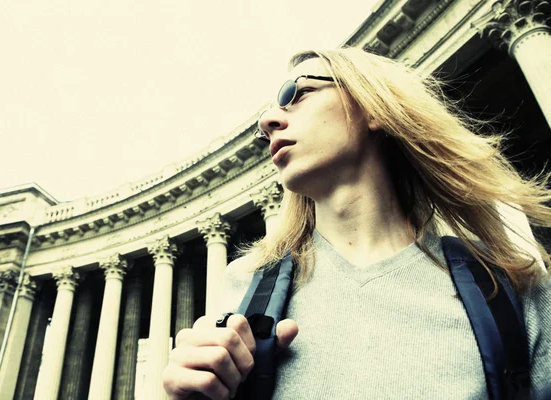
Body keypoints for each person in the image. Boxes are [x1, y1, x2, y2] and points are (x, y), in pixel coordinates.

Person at [162, 48, 551, 399]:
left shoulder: (511, 286)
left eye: (294, 94)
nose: (267, 120)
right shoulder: (245, 289)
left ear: (374, 108)